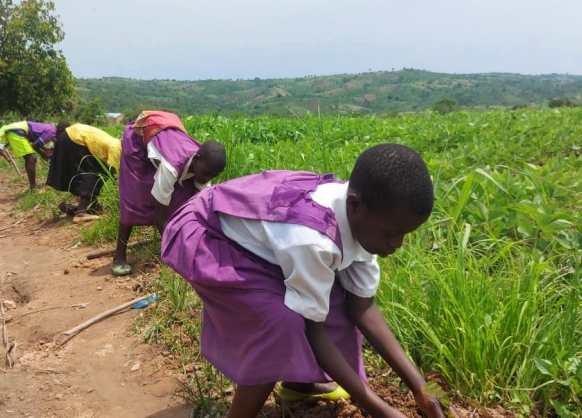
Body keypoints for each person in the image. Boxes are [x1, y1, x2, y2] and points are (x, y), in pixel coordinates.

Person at [160, 144, 458, 418]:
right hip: (206, 231)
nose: (398, 243)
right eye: (392, 233)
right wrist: (379, 409)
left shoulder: (370, 221)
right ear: (354, 206)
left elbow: (362, 308)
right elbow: (313, 331)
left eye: (406, 234)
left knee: (336, 305)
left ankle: (299, 384)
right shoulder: (314, 241)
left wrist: (424, 389)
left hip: (267, 238)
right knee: (281, 323)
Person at [111, 111, 226, 276]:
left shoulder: (206, 165)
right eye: (206, 174)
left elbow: (204, 207)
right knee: (135, 198)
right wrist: (179, 254)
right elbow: (160, 217)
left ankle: (180, 239)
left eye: (212, 176)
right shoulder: (171, 167)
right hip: (139, 136)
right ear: (196, 159)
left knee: (186, 197)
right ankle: (119, 255)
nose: (207, 178)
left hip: (167, 135)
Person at [46, 121, 121, 223]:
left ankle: (92, 206)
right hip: (74, 138)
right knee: (91, 174)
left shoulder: (114, 142)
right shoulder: (117, 147)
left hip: (70, 136)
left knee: (98, 171)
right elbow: (115, 175)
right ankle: (80, 212)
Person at [0, 121, 59, 190]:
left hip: (17, 131)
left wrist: (43, 148)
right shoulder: (52, 131)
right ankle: (33, 186)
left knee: (29, 159)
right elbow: (35, 145)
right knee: (32, 159)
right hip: (16, 132)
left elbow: (35, 138)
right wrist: (43, 155)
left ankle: (32, 185)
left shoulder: (51, 128)